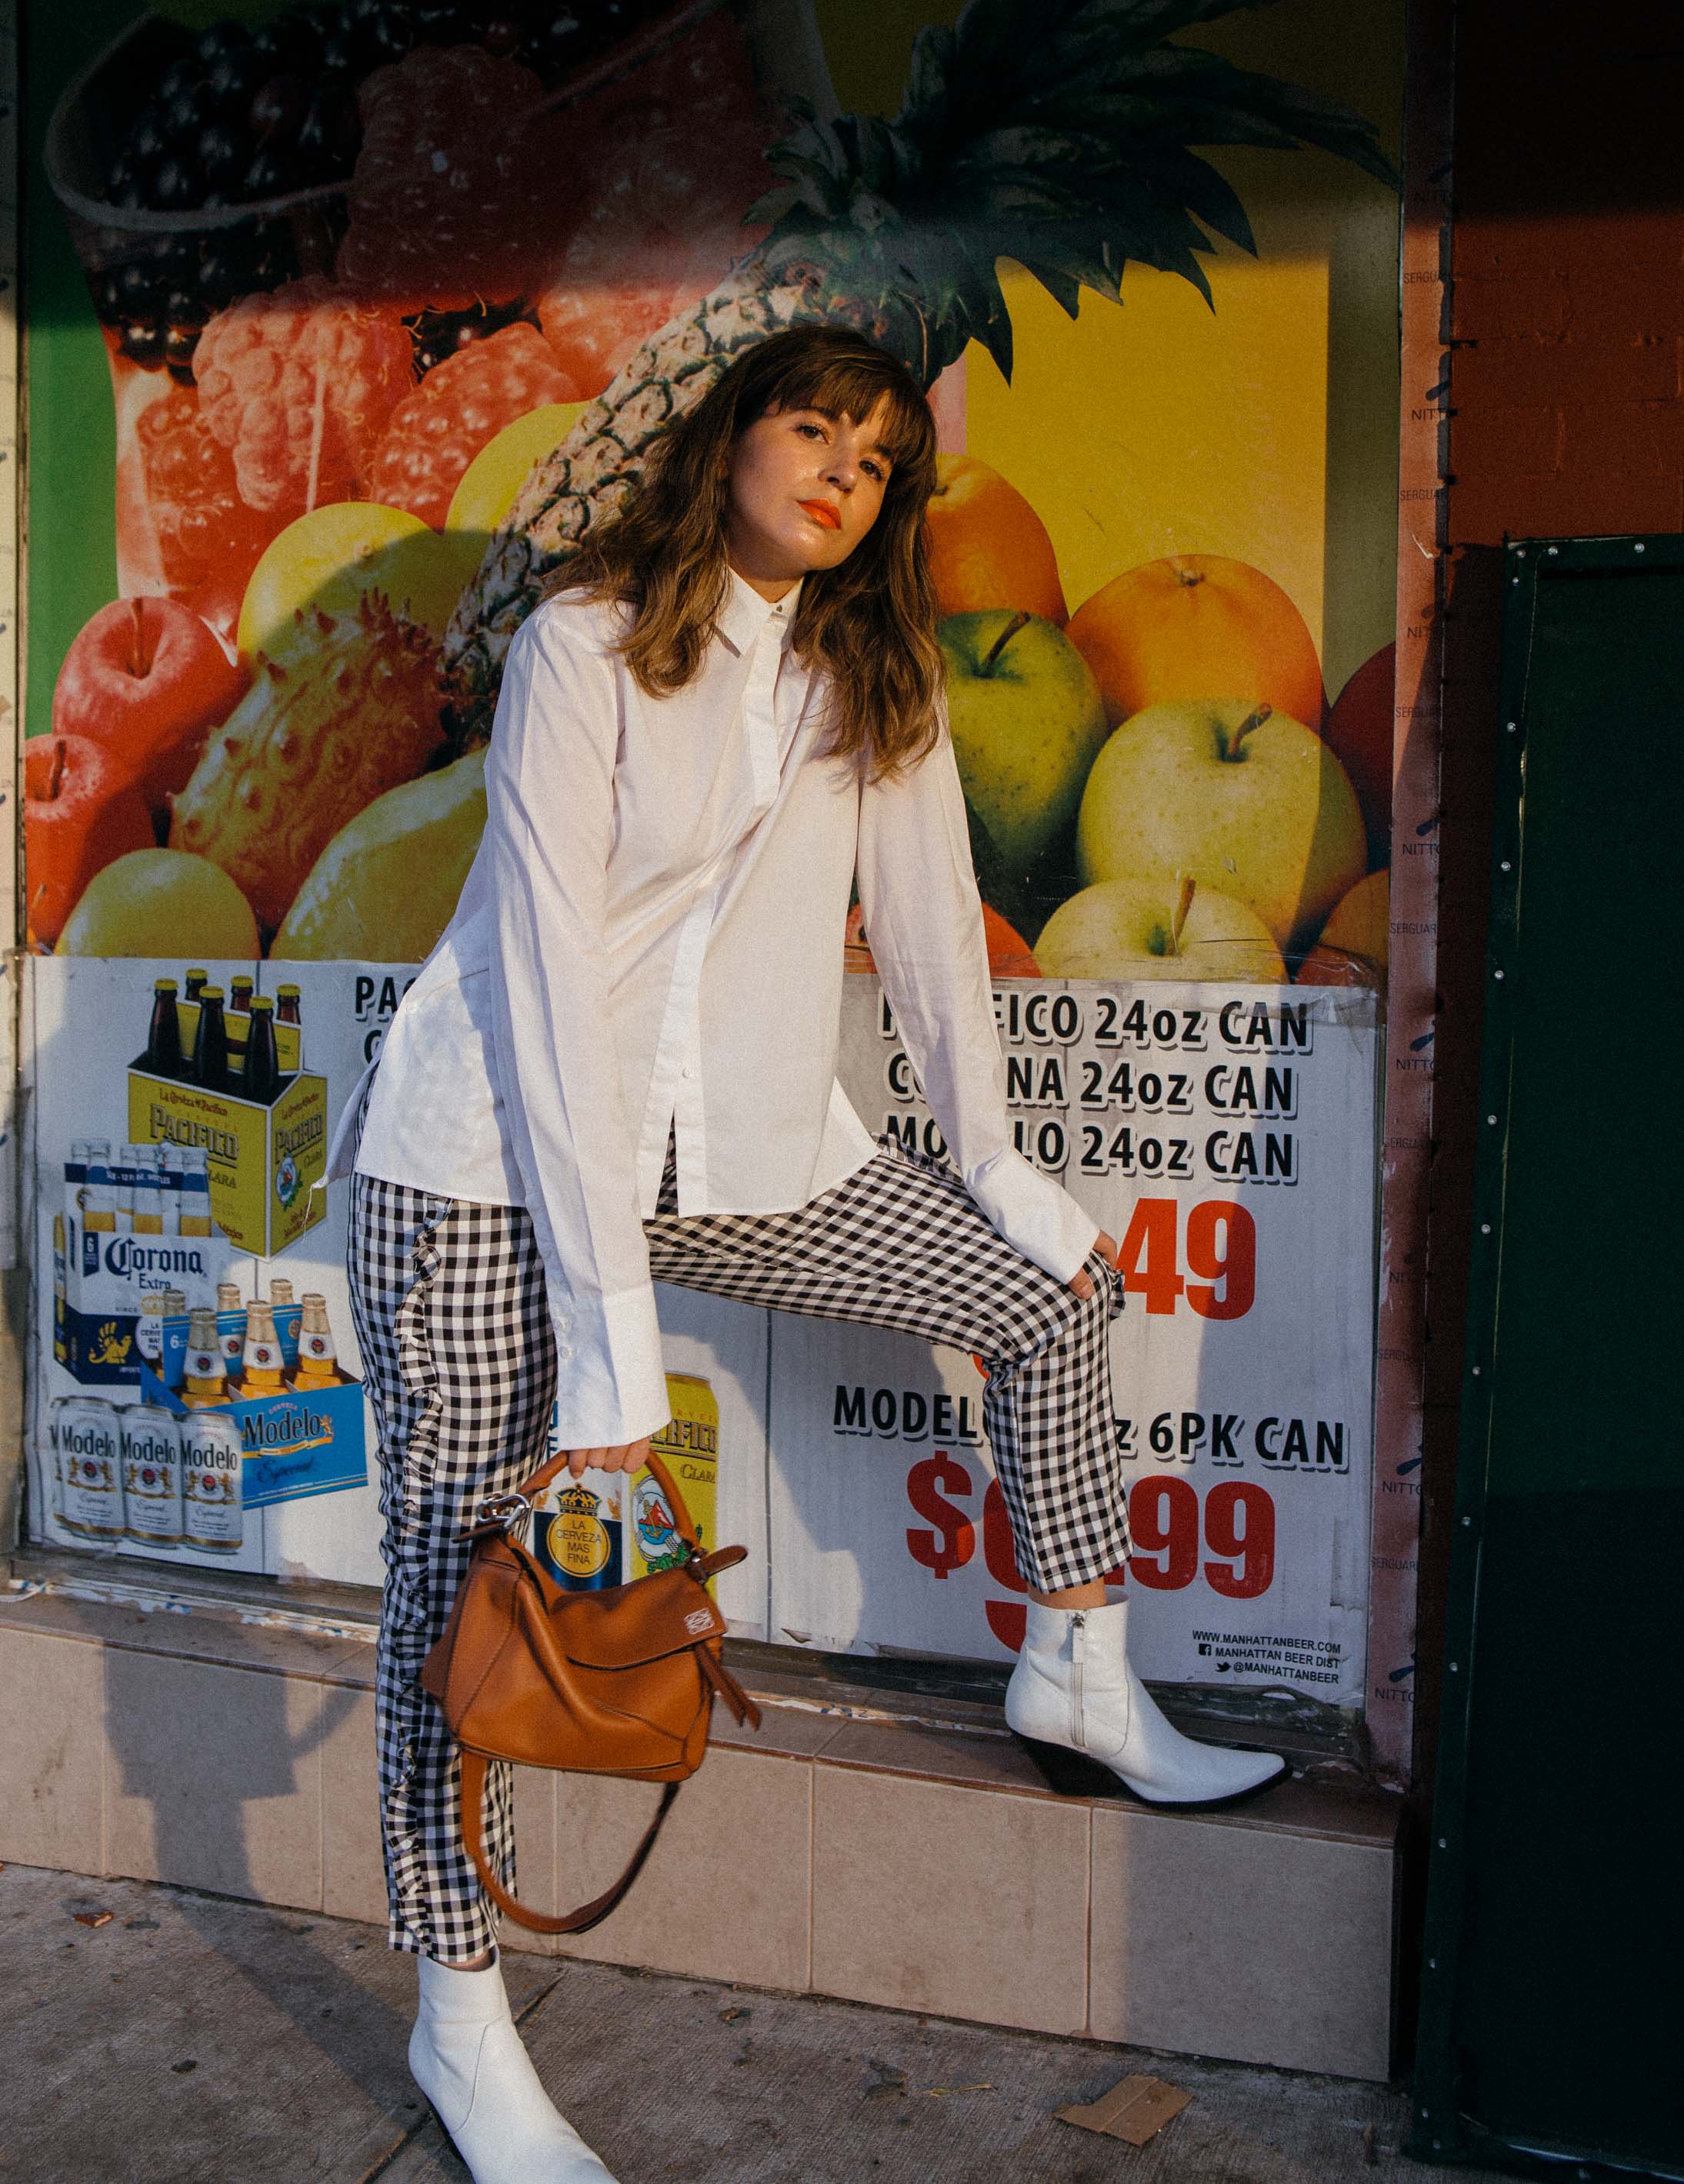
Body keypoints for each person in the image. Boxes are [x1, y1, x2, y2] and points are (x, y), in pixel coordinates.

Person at [333, 323, 1282, 2184]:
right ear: (731, 440)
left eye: (878, 453)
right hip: (482, 1164)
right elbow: (540, 992)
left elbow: (931, 941)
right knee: (460, 1599)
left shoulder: (879, 678)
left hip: (741, 1148)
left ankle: (1076, 1662)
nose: (845, 468)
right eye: (811, 426)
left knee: (1045, 1293)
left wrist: (1001, 1174)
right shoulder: (582, 649)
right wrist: (608, 1362)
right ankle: (461, 2019)